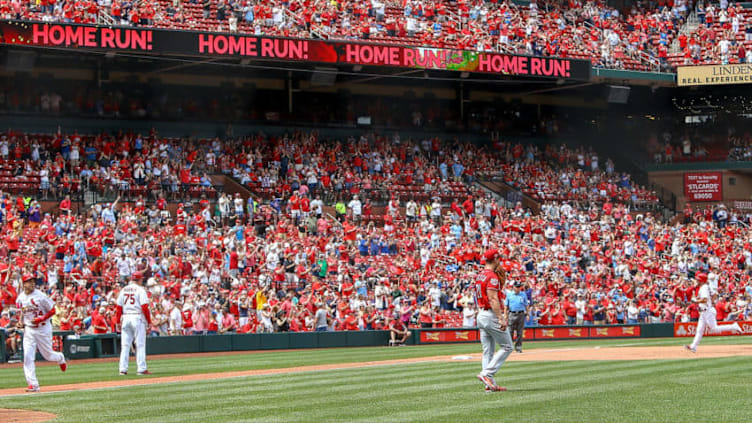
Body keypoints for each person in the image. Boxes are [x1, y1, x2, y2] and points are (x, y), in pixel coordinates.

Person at [16, 275, 67, 392]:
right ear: (24, 284)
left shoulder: (40, 296)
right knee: (27, 356)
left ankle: (60, 357)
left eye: (33, 281)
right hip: (29, 329)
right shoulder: (20, 298)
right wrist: (20, 322)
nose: (32, 283)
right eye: (29, 282)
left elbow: (53, 310)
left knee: (48, 355)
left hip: (43, 328)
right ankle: (33, 384)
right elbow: (22, 312)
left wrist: (41, 318)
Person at [475, 249, 513, 392]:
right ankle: (487, 374)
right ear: (495, 259)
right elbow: (492, 298)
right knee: (507, 346)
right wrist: (500, 318)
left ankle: (489, 385)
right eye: (499, 259)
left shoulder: (480, 275)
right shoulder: (492, 276)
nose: (500, 261)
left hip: (481, 313)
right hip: (490, 314)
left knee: (488, 352)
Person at [685, 278, 742, 353]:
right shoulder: (706, 287)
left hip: (707, 311)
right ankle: (693, 346)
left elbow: (705, 300)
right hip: (704, 311)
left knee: (714, 329)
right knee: (699, 330)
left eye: (698, 280)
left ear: (702, 281)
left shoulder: (704, 287)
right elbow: (715, 294)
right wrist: (710, 302)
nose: (697, 281)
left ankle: (734, 326)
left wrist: (697, 301)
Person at [116, 275, 152, 375]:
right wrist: (149, 321)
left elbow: (118, 307)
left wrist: (117, 321)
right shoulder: (140, 290)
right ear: (140, 279)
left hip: (126, 316)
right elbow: (144, 307)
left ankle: (122, 369)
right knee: (140, 344)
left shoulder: (124, 289)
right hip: (137, 316)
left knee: (125, 345)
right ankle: (141, 369)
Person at [505, 280, 530, 353]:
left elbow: (526, 305)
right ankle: (509, 347)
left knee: (520, 332)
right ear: (513, 287)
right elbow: (506, 305)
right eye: (517, 287)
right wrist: (506, 315)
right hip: (512, 313)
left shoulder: (523, 294)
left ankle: (518, 347)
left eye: (519, 287)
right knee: (510, 331)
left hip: (521, 314)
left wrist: (528, 314)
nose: (519, 288)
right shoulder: (509, 294)